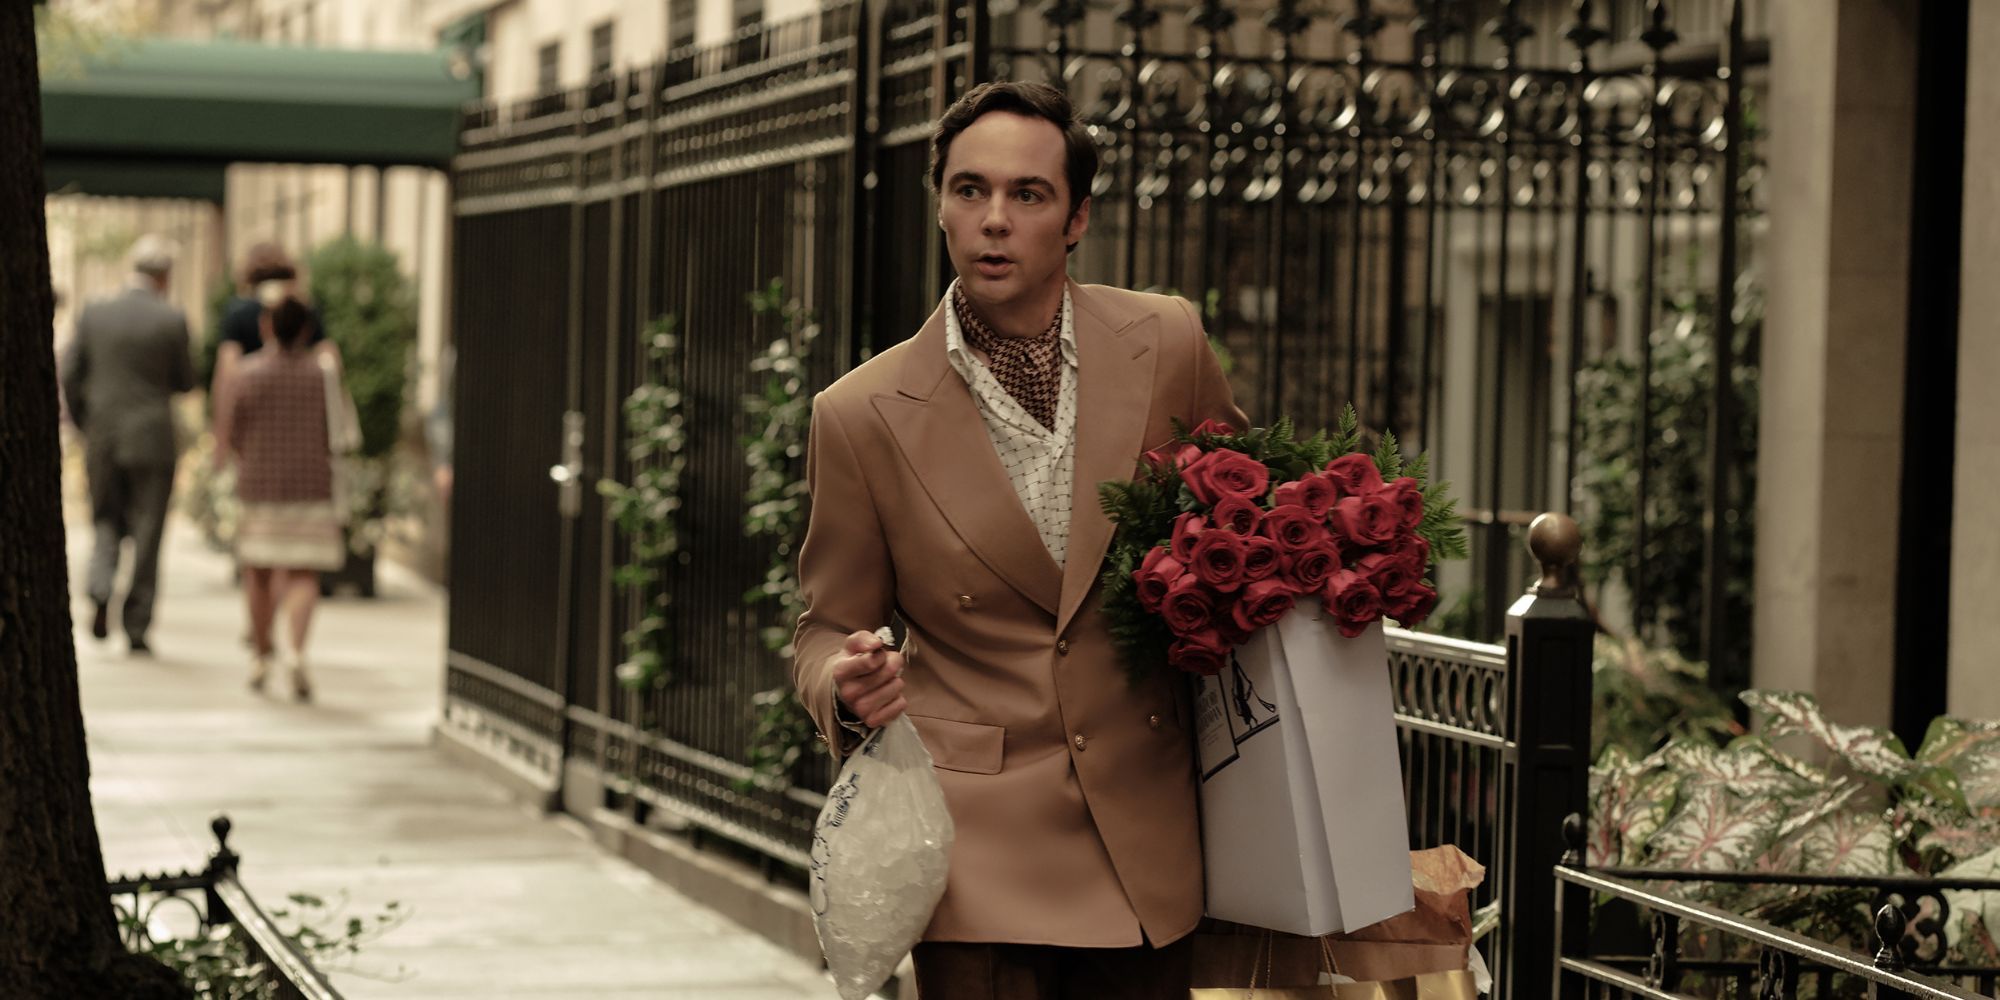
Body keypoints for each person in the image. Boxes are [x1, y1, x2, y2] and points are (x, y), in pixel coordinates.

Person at [790, 81, 1249, 999]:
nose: (993, 220)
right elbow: (823, 624)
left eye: (1027, 195)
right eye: (969, 190)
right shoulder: (859, 415)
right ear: (940, 206)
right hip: (979, 850)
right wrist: (845, 681)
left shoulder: (1166, 344)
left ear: (1076, 218)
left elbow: (1243, 527)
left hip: (1145, 834)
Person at [62, 235, 196, 656]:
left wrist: (87, 421)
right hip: (153, 438)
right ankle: (136, 624)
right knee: (148, 531)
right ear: (165, 276)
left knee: (103, 518)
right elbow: (186, 379)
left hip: (103, 434)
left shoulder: (94, 313)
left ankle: (99, 589)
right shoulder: (171, 319)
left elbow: (69, 373)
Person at [212, 295, 350, 701]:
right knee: (304, 572)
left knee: (258, 572)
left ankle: (261, 655)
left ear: (266, 327)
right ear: (306, 330)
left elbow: (231, 431)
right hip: (311, 485)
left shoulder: (247, 374)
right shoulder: (321, 375)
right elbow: (340, 430)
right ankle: (297, 652)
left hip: (260, 486)